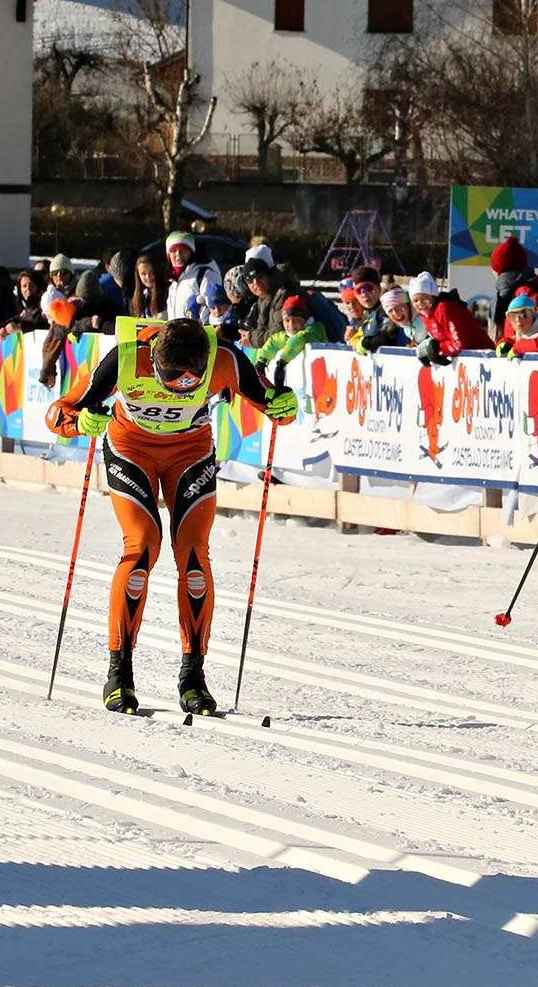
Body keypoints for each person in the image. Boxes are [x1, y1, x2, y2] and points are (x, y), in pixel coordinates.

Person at [45, 316, 299, 714]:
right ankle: (119, 674)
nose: (173, 390)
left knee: (194, 556)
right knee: (143, 546)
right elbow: (58, 412)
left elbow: (274, 407)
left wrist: (284, 405)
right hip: (131, 448)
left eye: (189, 383)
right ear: (154, 359)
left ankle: (193, 675)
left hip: (189, 452)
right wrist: (80, 421)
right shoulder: (126, 359)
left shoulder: (226, 360)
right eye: (166, 379)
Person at [408, 271, 495, 365]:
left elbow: (460, 343)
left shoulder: (445, 309)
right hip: (469, 363)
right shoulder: (427, 317)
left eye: (424, 298)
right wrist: (430, 348)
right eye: (416, 300)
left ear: (433, 296)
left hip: (486, 359)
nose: (420, 304)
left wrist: (439, 349)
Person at [256, 296, 328, 381]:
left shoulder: (315, 330)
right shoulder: (287, 336)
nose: (291, 324)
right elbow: (273, 342)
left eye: (296, 319)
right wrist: (261, 362)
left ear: (305, 319)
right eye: (287, 320)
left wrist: (282, 362)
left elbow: (299, 340)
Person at [241, 256, 301, 348]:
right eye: (250, 279)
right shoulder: (263, 298)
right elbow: (260, 329)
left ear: (268, 275)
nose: (256, 282)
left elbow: (278, 334)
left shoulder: (284, 293)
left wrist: (251, 338)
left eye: (259, 276)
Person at [164, 231, 222, 324]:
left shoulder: (204, 274)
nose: (178, 254)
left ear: (191, 252)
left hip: (198, 335)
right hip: (177, 335)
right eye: (174, 251)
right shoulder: (172, 281)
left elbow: (219, 310)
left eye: (183, 249)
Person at [347, 265, 402, 354]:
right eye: (359, 291)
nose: (364, 294)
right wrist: (354, 339)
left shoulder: (385, 310)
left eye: (368, 288)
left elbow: (387, 338)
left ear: (378, 288)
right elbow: (361, 336)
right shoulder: (367, 313)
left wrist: (364, 344)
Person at [495, 293, 538, 358]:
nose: (518, 320)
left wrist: (518, 348)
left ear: (534, 315)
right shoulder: (522, 335)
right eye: (513, 316)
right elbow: (513, 339)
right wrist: (503, 343)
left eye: (524, 315)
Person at [131, 252, 169, 320]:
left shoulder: (167, 293)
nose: (148, 277)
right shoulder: (143, 296)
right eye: (143, 274)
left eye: (151, 272)